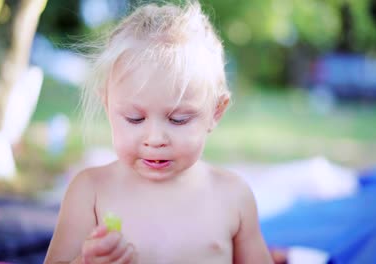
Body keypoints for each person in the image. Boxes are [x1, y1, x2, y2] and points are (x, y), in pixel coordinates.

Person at [44, 1, 272, 263]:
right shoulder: (90, 191)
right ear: (108, 106)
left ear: (216, 112)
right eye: (134, 118)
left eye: (178, 119)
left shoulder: (233, 196)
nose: (154, 139)